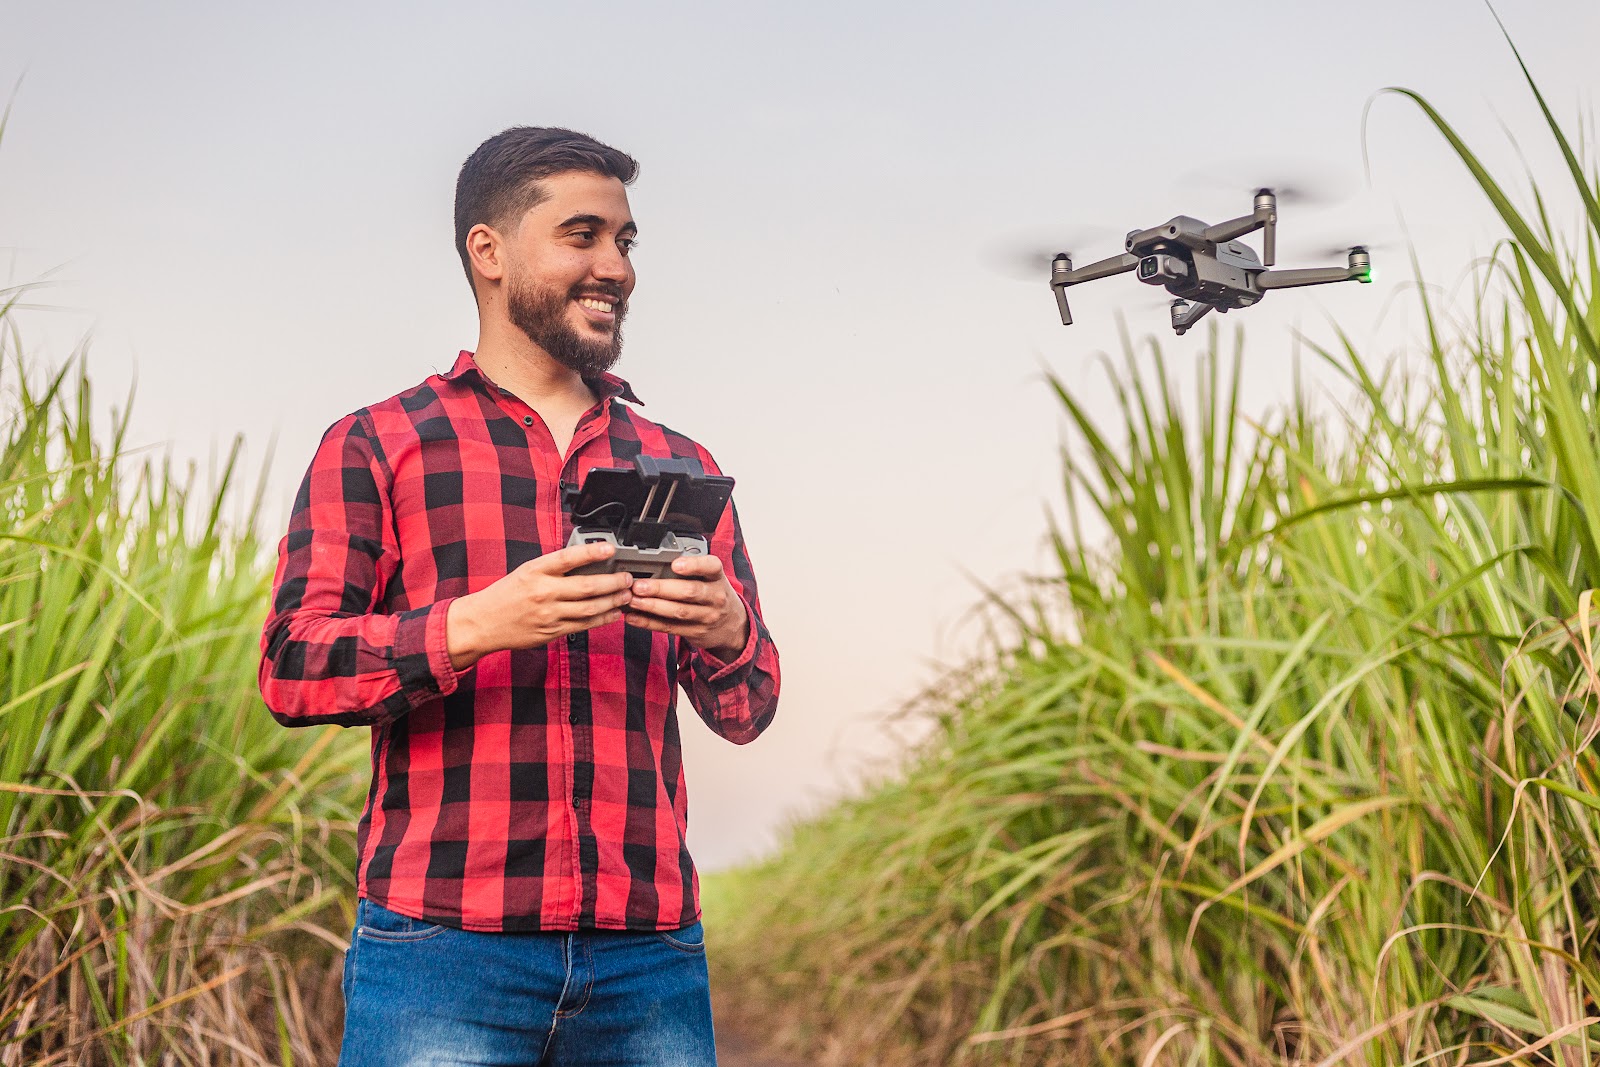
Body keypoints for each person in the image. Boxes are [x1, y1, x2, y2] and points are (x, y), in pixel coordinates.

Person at [258, 126, 780, 1066]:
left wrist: (728, 629)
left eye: (624, 241)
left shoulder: (678, 462)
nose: (615, 266)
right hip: (440, 950)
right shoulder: (379, 443)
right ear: (488, 251)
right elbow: (293, 666)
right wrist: (475, 625)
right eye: (583, 235)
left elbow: (748, 709)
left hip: (650, 956)